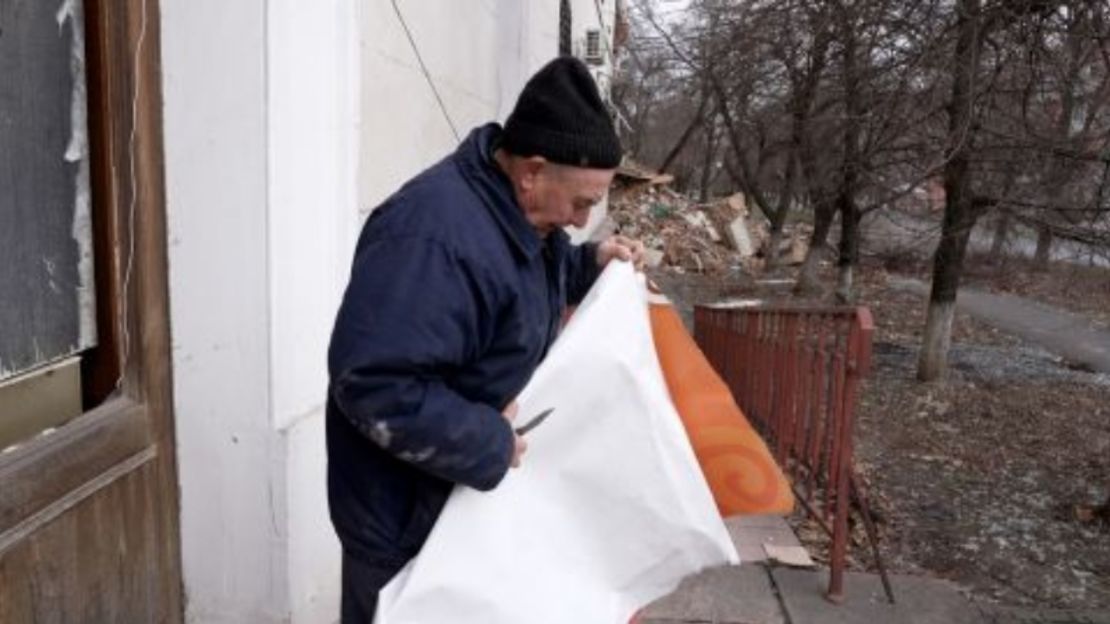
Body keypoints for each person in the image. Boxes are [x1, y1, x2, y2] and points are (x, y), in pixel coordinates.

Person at [326, 56, 646, 622]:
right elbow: (373, 384)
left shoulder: (517, 215)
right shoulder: (431, 238)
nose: (578, 220)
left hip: (454, 503)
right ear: (532, 170)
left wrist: (588, 265)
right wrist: (488, 442)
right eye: (582, 204)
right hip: (403, 526)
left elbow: (517, 283)